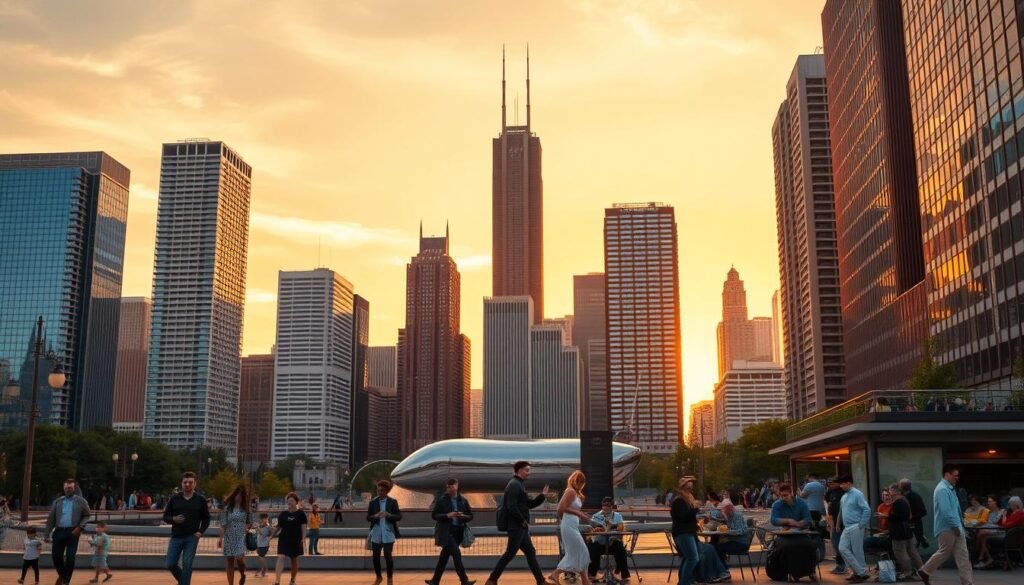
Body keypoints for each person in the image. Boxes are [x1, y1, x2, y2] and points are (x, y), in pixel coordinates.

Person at [485, 461, 550, 585]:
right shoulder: (515, 485)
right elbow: (511, 506)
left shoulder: (518, 484)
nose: (528, 473)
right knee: (510, 553)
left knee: (530, 552)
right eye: (527, 470)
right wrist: (522, 520)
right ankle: (492, 580)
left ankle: (541, 581)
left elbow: (529, 504)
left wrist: (542, 496)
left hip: (520, 526)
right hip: (516, 526)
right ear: (519, 470)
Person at [917, 464, 973, 585]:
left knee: (961, 556)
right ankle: (925, 570)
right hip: (949, 528)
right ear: (947, 474)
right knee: (946, 552)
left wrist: (958, 525)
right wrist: (955, 526)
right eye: (955, 475)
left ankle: (967, 582)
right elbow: (946, 511)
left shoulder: (947, 488)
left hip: (953, 527)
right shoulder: (942, 489)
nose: (957, 478)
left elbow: (951, 511)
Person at [162, 471, 211, 585]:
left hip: (192, 537)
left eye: (190, 482)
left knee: (187, 565)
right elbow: (165, 517)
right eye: (185, 482)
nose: (187, 484)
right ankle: (184, 582)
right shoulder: (175, 498)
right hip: (176, 536)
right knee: (170, 564)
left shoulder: (201, 500)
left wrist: (200, 532)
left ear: (195, 484)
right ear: (182, 483)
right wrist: (173, 519)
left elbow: (206, 519)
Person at [545, 471, 592, 585]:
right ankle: (556, 574)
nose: (580, 484)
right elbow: (560, 508)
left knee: (577, 552)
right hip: (569, 525)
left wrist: (581, 514)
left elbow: (570, 509)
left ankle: (584, 580)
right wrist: (578, 514)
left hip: (572, 525)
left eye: (582, 482)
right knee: (581, 551)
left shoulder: (575, 494)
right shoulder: (570, 491)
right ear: (573, 480)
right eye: (578, 481)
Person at [427, 478, 475, 585]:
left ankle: (435, 581)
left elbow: (470, 516)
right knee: (456, 554)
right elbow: (434, 515)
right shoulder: (441, 500)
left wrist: (462, 516)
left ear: (457, 486)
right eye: (448, 487)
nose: (449, 489)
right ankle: (464, 580)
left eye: (452, 487)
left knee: (444, 557)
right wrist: (447, 515)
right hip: (447, 531)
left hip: (459, 531)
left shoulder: (463, 500)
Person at [44, 478, 92, 585]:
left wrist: (80, 527)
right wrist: (46, 533)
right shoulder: (57, 501)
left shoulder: (81, 501)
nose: (68, 490)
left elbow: (87, 515)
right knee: (56, 556)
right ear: (63, 488)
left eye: (70, 488)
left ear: (74, 488)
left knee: (70, 557)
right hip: (59, 531)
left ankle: (65, 581)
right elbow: (51, 519)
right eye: (66, 488)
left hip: (73, 532)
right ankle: (63, 576)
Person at [835, 475, 870, 583]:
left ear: (849, 483)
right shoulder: (844, 496)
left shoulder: (857, 494)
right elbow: (841, 511)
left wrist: (862, 524)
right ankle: (859, 572)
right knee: (842, 548)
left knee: (857, 551)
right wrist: (838, 523)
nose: (841, 486)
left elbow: (866, 509)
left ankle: (859, 573)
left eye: (843, 483)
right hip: (847, 526)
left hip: (856, 525)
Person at [587, 497, 630, 582]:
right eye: (604, 505)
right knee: (592, 548)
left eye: (608, 505)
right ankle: (592, 573)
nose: (605, 507)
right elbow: (590, 531)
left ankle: (621, 573)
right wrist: (595, 530)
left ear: (612, 506)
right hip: (600, 543)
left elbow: (621, 527)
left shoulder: (617, 516)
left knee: (620, 549)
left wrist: (615, 527)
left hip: (612, 542)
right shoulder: (596, 516)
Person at [974, 495, 1024, 569]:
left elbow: (1006, 525)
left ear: (1015, 505)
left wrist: (1004, 516)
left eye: (1010, 505)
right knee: (983, 535)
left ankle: (978, 555)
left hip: (1009, 538)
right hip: (1008, 535)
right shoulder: (1014, 513)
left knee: (983, 536)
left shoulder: (1019, 514)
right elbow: (1001, 523)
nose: (1009, 506)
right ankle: (984, 558)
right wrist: (1002, 518)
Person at [368, 480, 402, 585]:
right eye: (378, 490)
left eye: (382, 490)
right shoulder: (373, 502)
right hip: (376, 532)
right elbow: (368, 517)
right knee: (375, 556)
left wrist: (388, 515)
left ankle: (390, 578)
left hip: (388, 532)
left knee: (388, 555)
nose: (379, 492)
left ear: (387, 491)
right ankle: (379, 577)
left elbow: (399, 516)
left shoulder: (392, 502)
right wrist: (375, 516)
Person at [887, 482, 923, 580]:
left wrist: (887, 516)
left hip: (899, 532)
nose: (888, 492)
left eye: (889, 490)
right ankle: (923, 571)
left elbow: (898, 516)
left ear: (894, 491)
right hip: (907, 531)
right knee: (913, 552)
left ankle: (908, 572)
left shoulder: (898, 502)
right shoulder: (904, 499)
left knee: (900, 553)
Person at [219, 485, 253, 585]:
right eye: (237, 494)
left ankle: (242, 574)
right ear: (234, 495)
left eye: (241, 495)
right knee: (230, 561)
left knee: (239, 558)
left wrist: (246, 528)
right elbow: (223, 524)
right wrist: (220, 539)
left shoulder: (246, 509)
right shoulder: (228, 508)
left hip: (240, 536)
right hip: (229, 536)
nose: (238, 496)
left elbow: (250, 522)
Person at [272, 492, 307, 585]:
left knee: (294, 560)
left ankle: (292, 579)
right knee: (281, 557)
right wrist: (270, 536)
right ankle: (277, 580)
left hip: (295, 539)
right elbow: (278, 526)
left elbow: (303, 527)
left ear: (296, 502)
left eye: (291, 501)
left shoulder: (301, 514)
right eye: (288, 501)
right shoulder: (283, 514)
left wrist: (303, 538)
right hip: (284, 539)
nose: (290, 502)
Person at [671, 476, 700, 585]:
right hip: (683, 533)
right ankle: (685, 582)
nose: (690, 491)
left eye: (691, 489)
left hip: (686, 532)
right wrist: (694, 508)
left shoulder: (684, 499)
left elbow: (687, 516)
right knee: (693, 558)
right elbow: (683, 516)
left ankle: (685, 581)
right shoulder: (679, 500)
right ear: (683, 488)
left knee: (688, 558)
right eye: (689, 489)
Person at [800, 473, 827, 561]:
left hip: (811, 509)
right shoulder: (821, 485)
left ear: (810, 477)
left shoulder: (809, 485)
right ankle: (822, 554)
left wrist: (798, 491)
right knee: (819, 532)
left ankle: (813, 554)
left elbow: (802, 495)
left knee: (811, 532)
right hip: (820, 509)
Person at [824, 478, 846, 575]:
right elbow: (827, 501)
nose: (831, 485)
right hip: (832, 520)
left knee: (839, 545)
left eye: (833, 483)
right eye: (829, 483)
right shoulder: (830, 492)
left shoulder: (843, 493)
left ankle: (842, 565)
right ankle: (840, 564)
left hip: (841, 522)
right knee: (835, 543)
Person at [255, 513, 272, 579]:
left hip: (264, 545)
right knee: (261, 557)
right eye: (263, 518)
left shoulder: (267, 526)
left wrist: (257, 528)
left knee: (261, 557)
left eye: (265, 518)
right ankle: (263, 572)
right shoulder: (261, 525)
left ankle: (265, 569)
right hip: (260, 544)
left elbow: (263, 534)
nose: (264, 520)